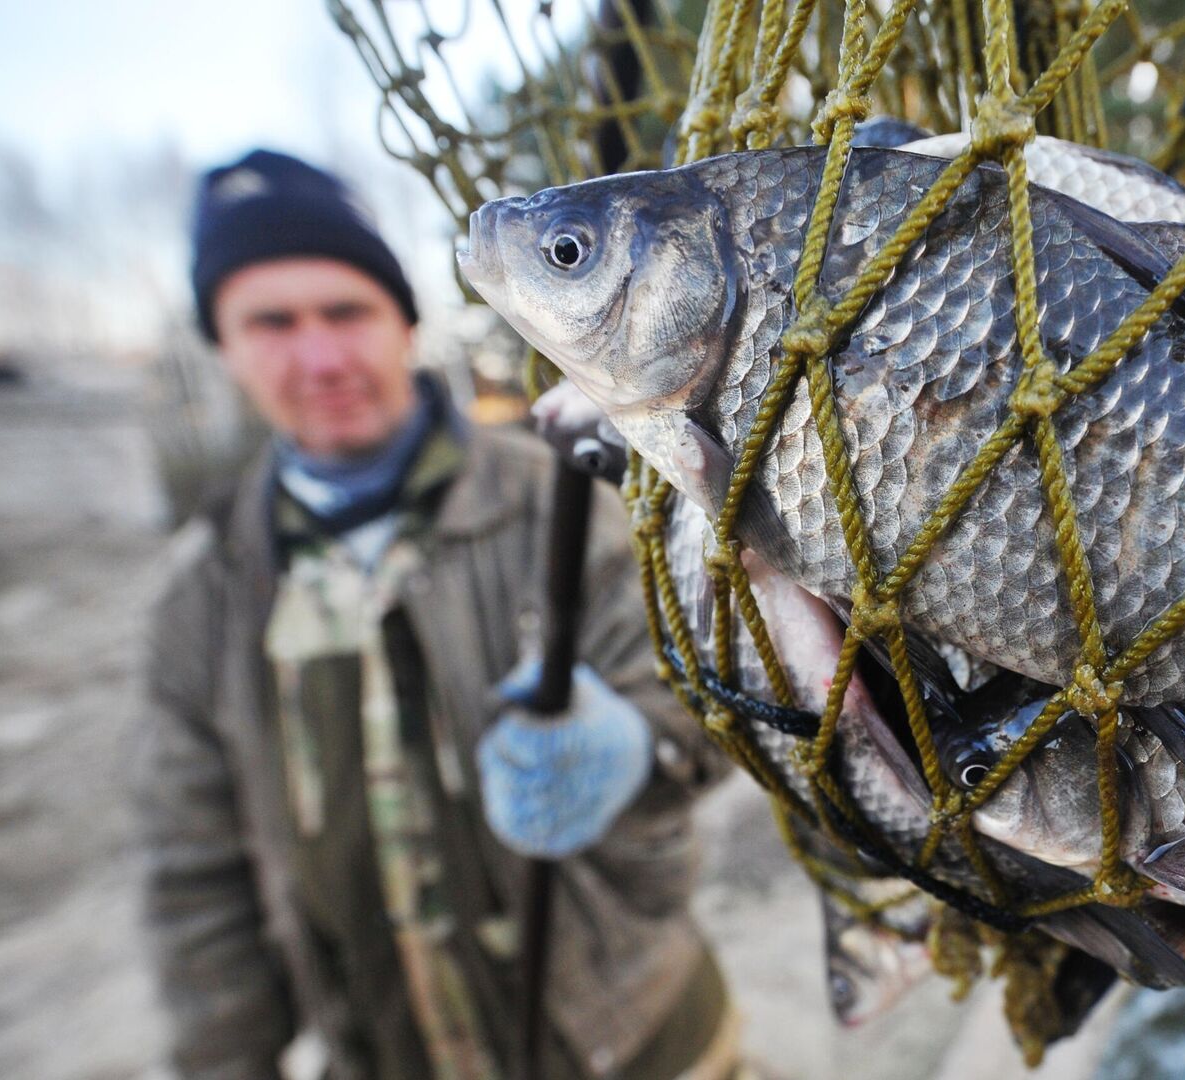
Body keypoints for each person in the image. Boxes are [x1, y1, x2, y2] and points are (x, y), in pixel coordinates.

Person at [135, 149, 735, 1080]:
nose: (321, 356)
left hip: (647, 1044)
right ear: (223, 346)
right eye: (272, 323)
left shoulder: (563, 498)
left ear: (402, 322)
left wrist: (636, 744)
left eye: (346, 312)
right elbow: (197, 882)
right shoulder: (201, 594)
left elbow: (718, 706)